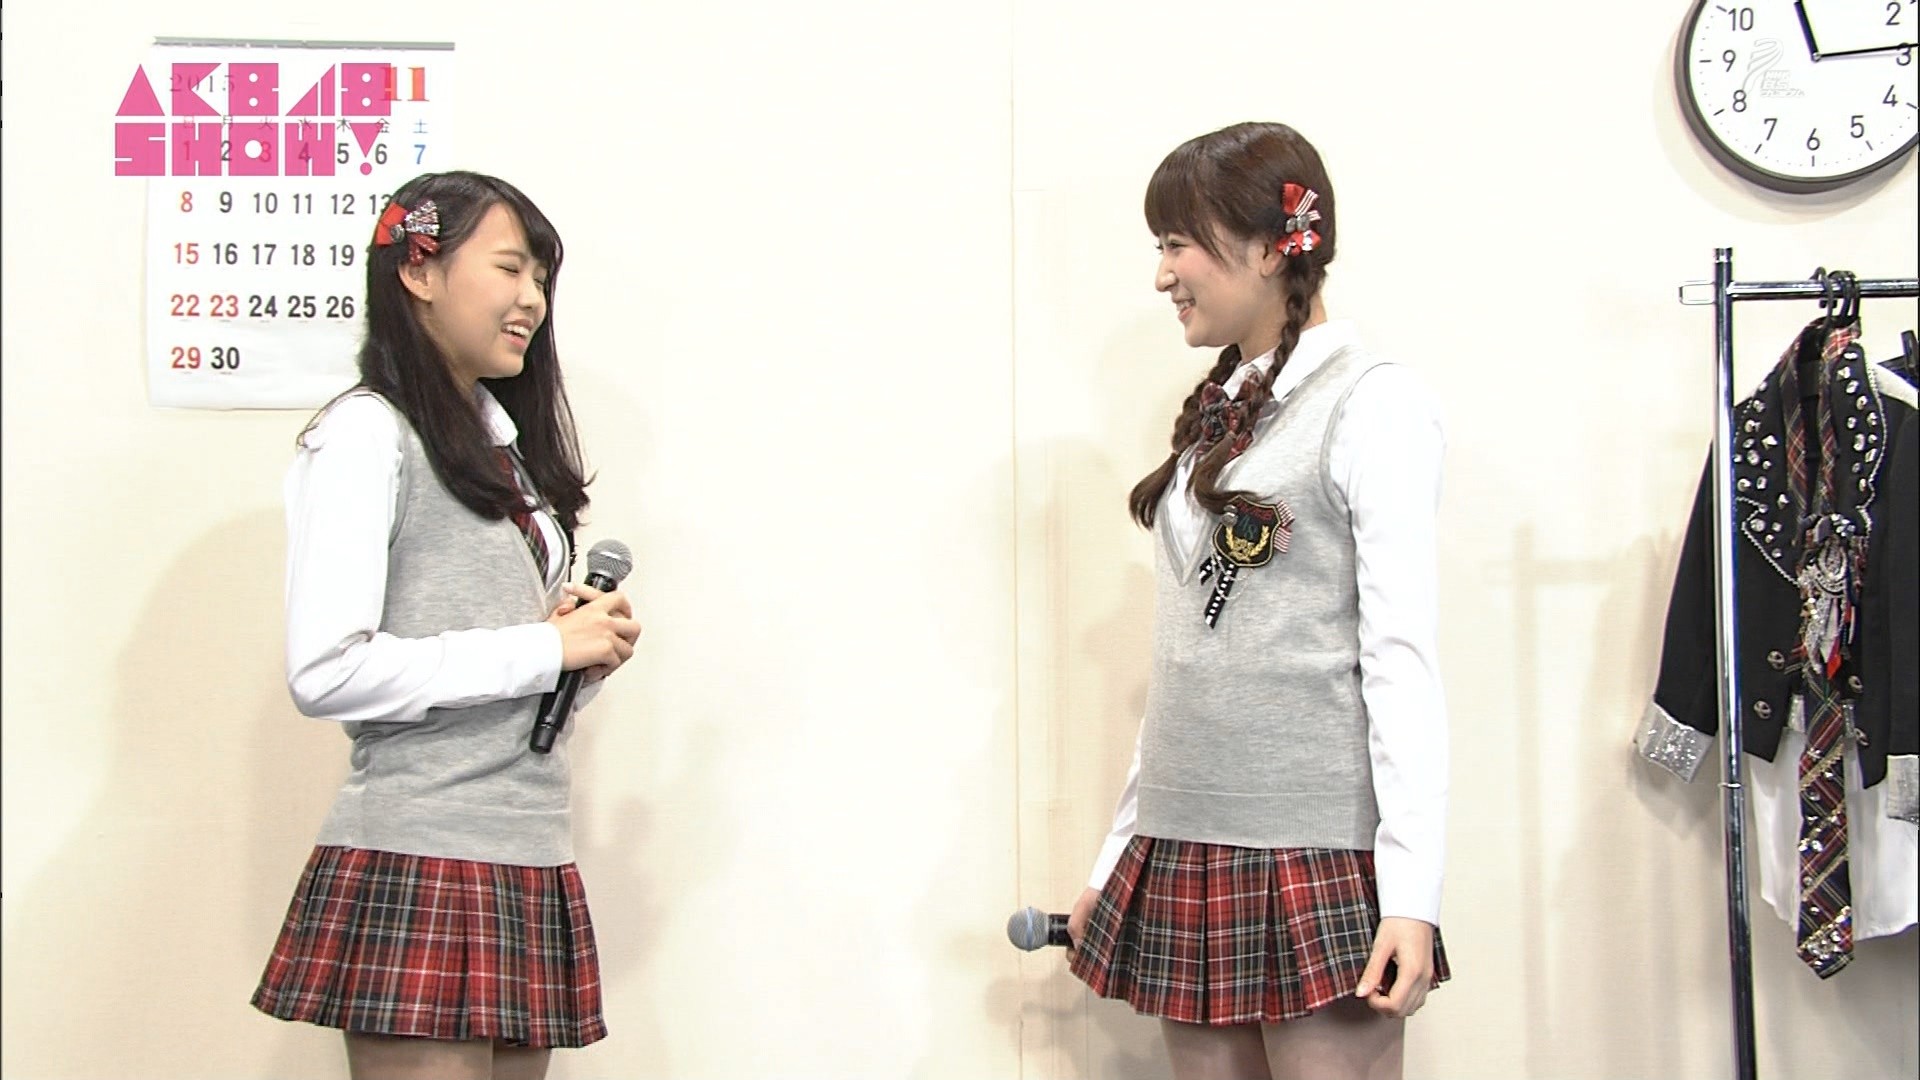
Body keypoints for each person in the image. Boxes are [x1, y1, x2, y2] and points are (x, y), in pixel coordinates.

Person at [1065, 123, 1451, 1080]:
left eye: (1177, 243)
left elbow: (1399, 660)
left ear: (1274, 247)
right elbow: (1190, 658)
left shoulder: (1372, 404)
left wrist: (1411, 891)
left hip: (1312, 848)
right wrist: (1119, 854)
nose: (1163, 274)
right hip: (1183, 837)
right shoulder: (1223, 411)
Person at [250, 170, 642, 1080]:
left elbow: (486, 659)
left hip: (526, 846)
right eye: (509, 268)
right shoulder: (366, 432)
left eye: (541, 277)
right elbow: (326, 671)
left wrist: (573, 656)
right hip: (423, 847)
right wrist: (541, 648)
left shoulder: (503, 451)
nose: (531, 299)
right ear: (418, 272)